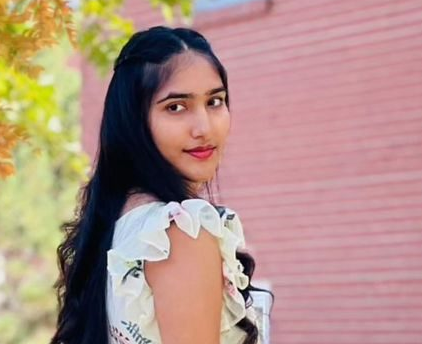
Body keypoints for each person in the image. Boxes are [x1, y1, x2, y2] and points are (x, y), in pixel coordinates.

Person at [52, 26, 270, 344]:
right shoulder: (179, 232)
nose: (203, 128)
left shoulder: (122, 219)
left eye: (215, 101)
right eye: (175, 107)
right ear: (134, 122)